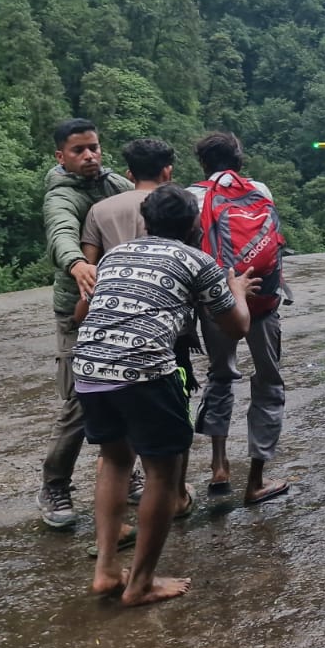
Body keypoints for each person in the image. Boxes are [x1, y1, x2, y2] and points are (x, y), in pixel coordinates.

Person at [73, 184, 257, 606]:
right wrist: (239, 291)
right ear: (195, 225)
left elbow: (80, 312)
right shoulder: (199, 260)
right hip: (144, 372)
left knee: (116, 461)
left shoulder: (116, 254)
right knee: (162, 473)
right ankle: (140, 583)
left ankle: (105, 570)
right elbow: (236, 327)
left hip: (88, 367)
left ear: (146, 222)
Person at [80, 137, 196, 520]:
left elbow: (88, 277)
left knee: (114, 455)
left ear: (128, 173)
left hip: (102, 340)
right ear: (168, 171)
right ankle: (175, 496)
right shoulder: (182, 208)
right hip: (162, 337)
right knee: (167, 438)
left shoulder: (100, 211)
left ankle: (109, 546)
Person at [37, 118, 133, 530]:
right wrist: (76, 263)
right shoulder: (60, 195)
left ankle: (126, 475)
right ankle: (54, 484)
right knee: (80, 400)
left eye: (93, 147)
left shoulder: (113, 185)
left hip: (120, 301)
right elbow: (61, 232)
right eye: (78, 150)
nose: (89, 155)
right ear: (61, 157)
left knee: (130, 386)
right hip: (78, 309)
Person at [187, 132, 292, 506]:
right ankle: (256, 482)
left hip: (218, 300)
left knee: (220, 374)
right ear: (239, 160)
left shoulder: (192, 195)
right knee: (268, 383)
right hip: (263, 297)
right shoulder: (260, 189)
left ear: (202, 163)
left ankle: (219, 467)